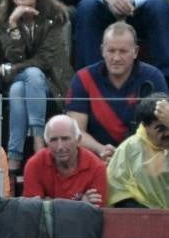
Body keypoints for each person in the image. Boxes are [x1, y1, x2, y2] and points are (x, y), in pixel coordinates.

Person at [0, 0, 71, 171]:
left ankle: (16, 157)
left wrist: (3, 70)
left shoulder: (55, 16)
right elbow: (14, 55)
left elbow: (44, 61)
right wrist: (12, 23)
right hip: (17, 81)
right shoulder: (1, 19)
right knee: (23, 83)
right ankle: (36, 148)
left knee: (32, 76)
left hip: (50, 83)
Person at [65, 22, 168, 163]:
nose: (116, 58)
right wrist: (100, 149)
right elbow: (75, 132)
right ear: (102, 50)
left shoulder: (153, 77)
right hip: (96, 160)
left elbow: (162, 128)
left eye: (123, 51)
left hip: (143, 161)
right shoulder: (83, 78)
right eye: (111, 51)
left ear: (136, 52)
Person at [22, 113, 108, 203]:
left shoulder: (97, 167)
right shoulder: (35, 165)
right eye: (54, 140)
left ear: (78, 140)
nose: (60, 147)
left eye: (65, 139)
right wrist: (80, 205)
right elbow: (33, 211)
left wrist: (48, 202)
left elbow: (95, 213)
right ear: (47, 143)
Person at [107, 93, 169, 208]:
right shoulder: (129, 149)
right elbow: (118, 191)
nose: (167, 133)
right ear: (145, 126)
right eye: (161, 129)